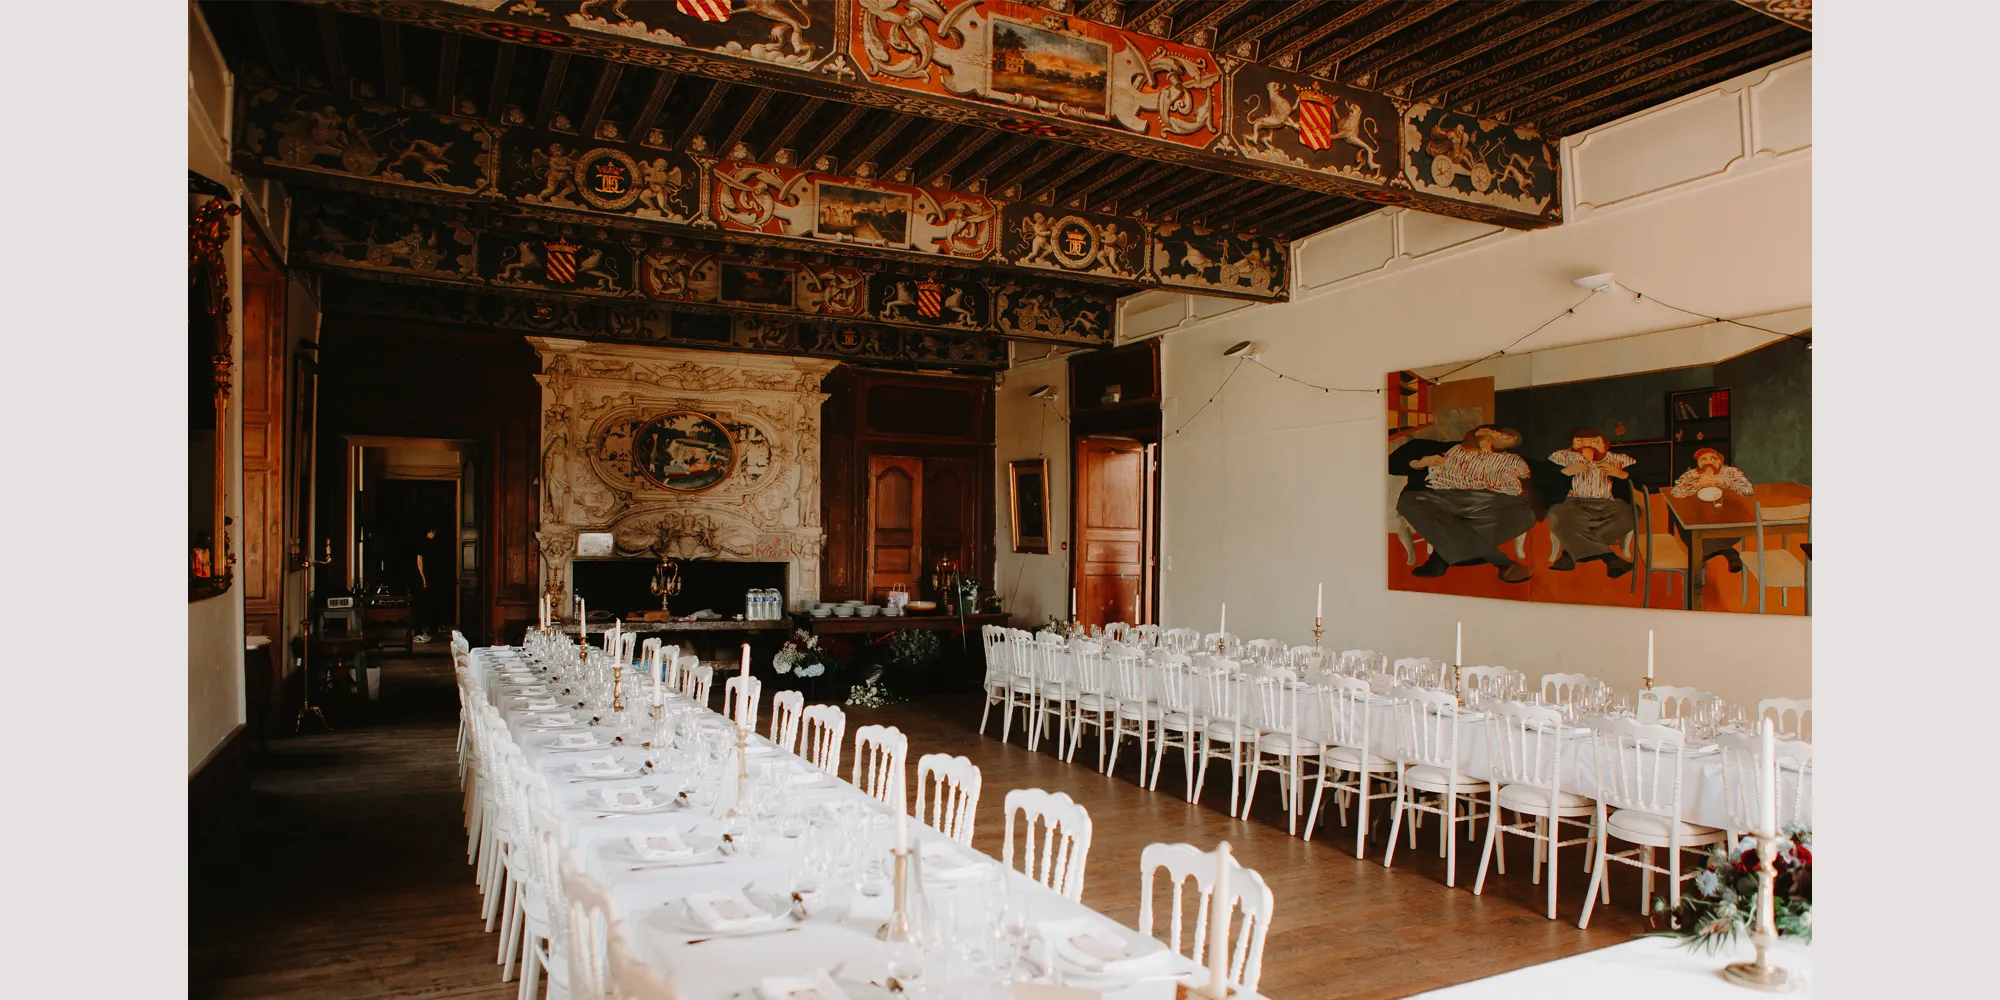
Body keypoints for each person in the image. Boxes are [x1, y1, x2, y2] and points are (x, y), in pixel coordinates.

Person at [1397, 425, 1537, 583]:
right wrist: (1420, 463)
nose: (1499, 439)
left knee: (1524, 515)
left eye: (1508, 439)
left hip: (1486, 501)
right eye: (1496, 434)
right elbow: (1392, 462)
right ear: (1479, 433)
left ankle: (1441, 558)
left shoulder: (1513, 460)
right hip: (1441, 497)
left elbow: (1529, 478)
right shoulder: (1451, 449)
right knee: (1411, 503)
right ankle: (1501, 561)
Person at [1546, 428, 1637, 577]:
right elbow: (1544, 478)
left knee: (1630, 515)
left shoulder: (1616, 459)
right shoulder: (1565, 457)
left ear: (1606, 445)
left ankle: (1570, 553)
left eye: (1595, 442)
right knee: (1556, 515)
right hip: (1575, 503)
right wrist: (1566, 472)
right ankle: (1610, 558)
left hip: (1608, 504)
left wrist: (1621, 473)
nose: (1588, 446)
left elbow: (1646, 479)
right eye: (1580, 441)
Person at [1670, 446, 1755, 572]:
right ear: (1698, 463)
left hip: (1726, 517)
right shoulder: (1691, 475)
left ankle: (1710, 554)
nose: (1708, 462)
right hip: (1699, 519)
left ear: (1720, 460)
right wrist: (1698, 484)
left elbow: (1749, 491)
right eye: (1703, 459)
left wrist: (1725, 482)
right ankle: (1726, 552)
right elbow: (1675, 493)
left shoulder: (1730, 472)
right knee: (1685, 520)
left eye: (1713, 458)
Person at [412, 527, 452, 642]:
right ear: (431, 531)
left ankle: (430, 630)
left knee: (430, 604)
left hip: (431, 577)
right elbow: (420, 561)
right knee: (420, 604)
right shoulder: (423, 543)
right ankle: (418, 632)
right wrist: (424, 578)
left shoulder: (433, 543)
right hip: (422, 578)